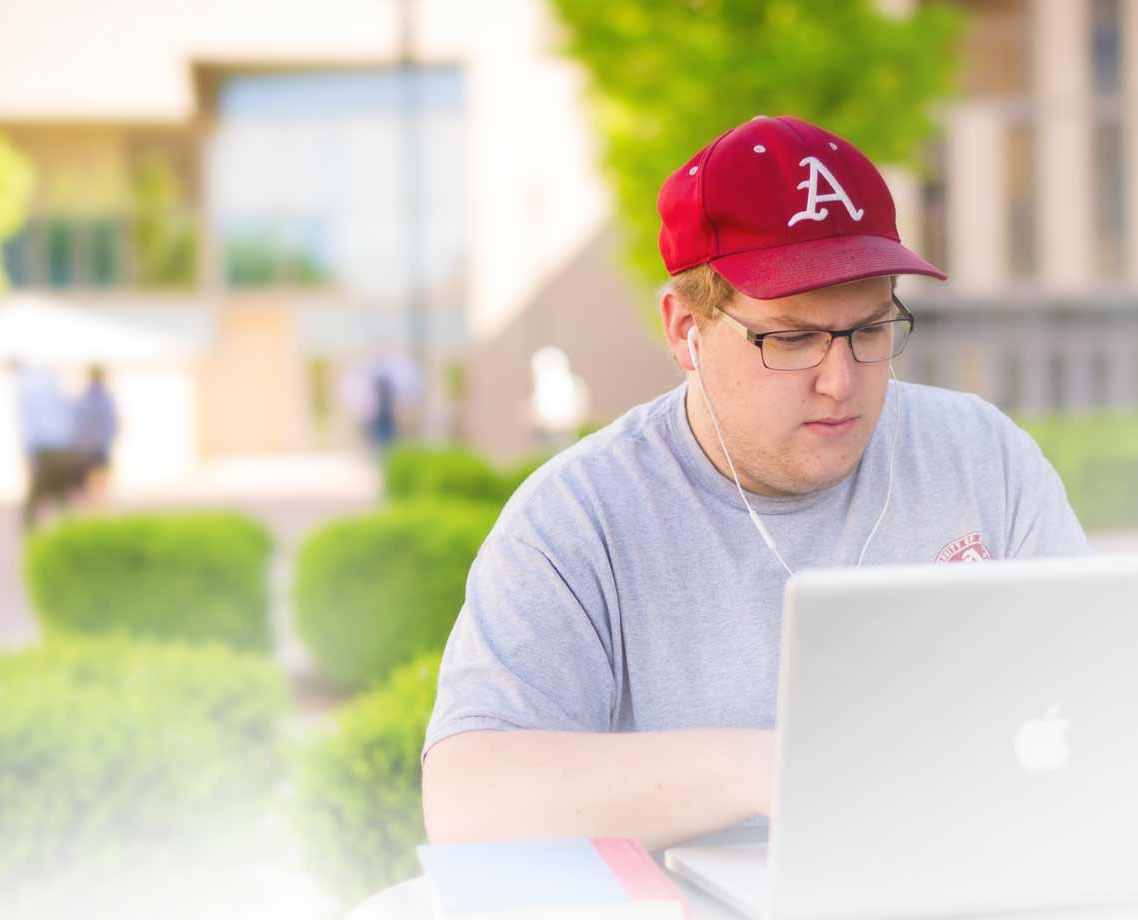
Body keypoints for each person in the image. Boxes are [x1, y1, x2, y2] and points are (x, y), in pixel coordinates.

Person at [420, 115, 1089, 852]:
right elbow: (467, 798)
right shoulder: (579, 518)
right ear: (684, 330)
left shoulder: (980, 456)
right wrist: (760, 766)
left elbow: (1093, 699)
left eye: (869, 330)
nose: (840, 381)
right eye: (791, 339)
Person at [14, 359, 81, 532]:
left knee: (44, 490)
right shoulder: (51, 387)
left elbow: (31, 424)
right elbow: (68, 415)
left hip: (44, 447)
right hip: (57, 445)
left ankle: (33, 527)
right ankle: (67, 526)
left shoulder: (29, 389)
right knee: (58, 491)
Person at [71, 364, 120, 507]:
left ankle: (96, 506)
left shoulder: (99, 398)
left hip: (95, 446)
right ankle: (95, 506)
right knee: (92, 484)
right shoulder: (94, 398)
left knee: (96, 483)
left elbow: (111, 423)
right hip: (92, 447)